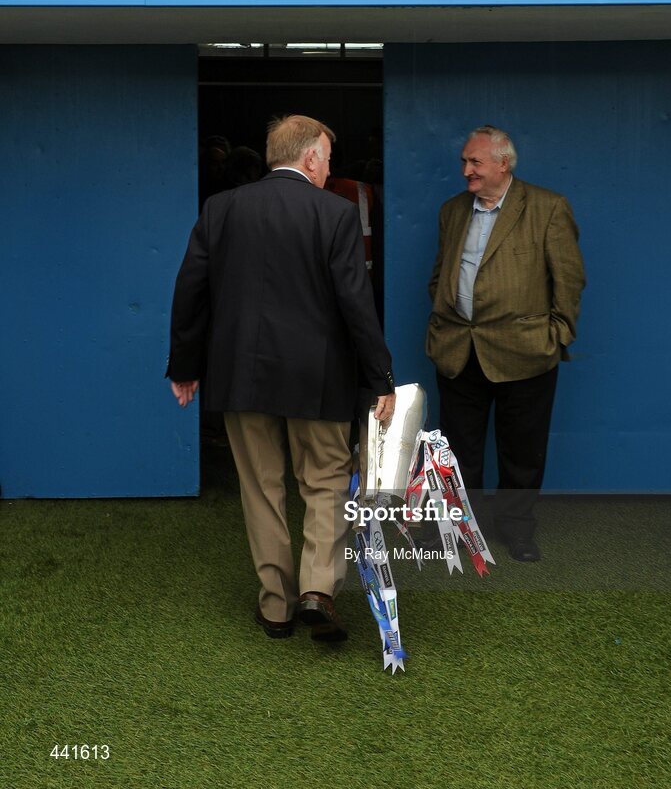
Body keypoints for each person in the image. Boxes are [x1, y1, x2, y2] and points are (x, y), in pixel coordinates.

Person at [167, 115, 395, 641]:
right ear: (312, 158)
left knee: (261, 488)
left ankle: (275, 607)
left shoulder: (220, 209)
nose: (329, 168)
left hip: (239, 377)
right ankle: (317, 590)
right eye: (329, 159)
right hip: (318, 379)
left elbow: (190, 290)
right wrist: (380, 376)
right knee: (325, 483)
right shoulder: (335, 214)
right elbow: (355, 304)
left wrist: (185, 367)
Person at [426, 125, 585, 562]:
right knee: (457, 452)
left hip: (526, 353)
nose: (466, 171)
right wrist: (444, 311)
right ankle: (461, 530)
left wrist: (556, 336)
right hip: (460, 350)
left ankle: (516, 530)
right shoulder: (453, 210)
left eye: (475, 162)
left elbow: (569, 280)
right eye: (464, 161)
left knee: (522, 452)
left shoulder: (548, 208)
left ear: (503, 163)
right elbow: (441, 273)